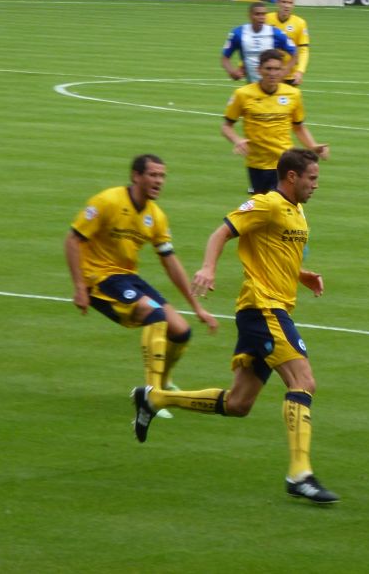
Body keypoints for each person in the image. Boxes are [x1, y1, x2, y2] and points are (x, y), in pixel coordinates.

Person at [130, 148, 340, 504]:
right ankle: (300, 474)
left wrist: (301, 275)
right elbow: (221, 233)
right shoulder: (266, 203)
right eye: (312, 178)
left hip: (268, 308)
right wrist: (208, 268)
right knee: (303, 381)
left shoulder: (297, 211)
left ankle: (154, 398)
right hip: (263, 309)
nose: (316, 185)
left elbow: (275, 252)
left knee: (239, 403)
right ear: (292, 176)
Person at [65, 153, 219, 418]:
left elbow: (170, 262)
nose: (159, 181)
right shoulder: (107, 201)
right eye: (153, 175)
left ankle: (165, 380)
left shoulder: (156, 216)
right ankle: (152, 394)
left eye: (162, 176)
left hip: (127, 277)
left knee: (181, 331)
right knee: (154, 314)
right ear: (136, 176)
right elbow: (72, 239)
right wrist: (79, 286)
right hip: (100, 279)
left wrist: (197, 308)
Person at [219, 48, 328, 194]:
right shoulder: (243, 94)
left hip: (286, 163)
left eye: (277, 69)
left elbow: (299, 127)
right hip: (258, 164)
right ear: (259, 70)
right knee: (264, 209)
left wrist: (312, 145)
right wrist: (237, 140)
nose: (272, 73)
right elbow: (226, 126)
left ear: (282, 71)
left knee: (286, 207)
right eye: (268, 69)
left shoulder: (293, 94)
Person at [221, 1, 298, 83]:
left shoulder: (275, 33)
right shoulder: (238, 33)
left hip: (272, 87)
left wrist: (284, 72)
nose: (261, 17)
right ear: (250, 15)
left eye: (263, 14)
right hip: (251, 87)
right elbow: (225, 58)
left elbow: (295, 54)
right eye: (257, 14)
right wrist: (232, 72)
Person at [265, 0, 310, 85]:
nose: (287, 6)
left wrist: (299, 72)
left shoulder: (300, 23)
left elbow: (303, 50)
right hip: (269, 74)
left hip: (290, 75)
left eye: (290, 3)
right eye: (284, 2)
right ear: (277, 3)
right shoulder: (266, 19)